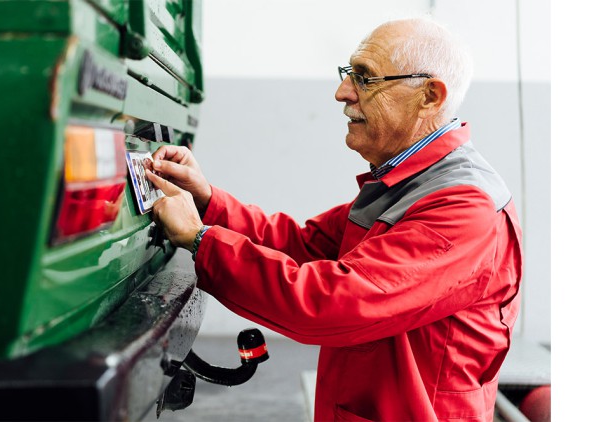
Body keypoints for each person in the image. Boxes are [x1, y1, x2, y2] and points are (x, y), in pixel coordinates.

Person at [146, 17, 522, 422]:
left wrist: (202, 241)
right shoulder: (406, 182)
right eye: (349, 75)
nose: (342, 93)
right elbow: (304, 246)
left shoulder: (462, 207)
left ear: (429, 96)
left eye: (364, 78)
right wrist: (207, 202)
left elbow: (332, 302)